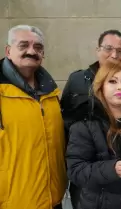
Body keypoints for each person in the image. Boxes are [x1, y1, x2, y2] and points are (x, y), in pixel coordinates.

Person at [60, 29, 121, 207]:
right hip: (102, 201)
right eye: (112, 82)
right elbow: (76, 170)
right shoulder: (84, 123)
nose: (120, 87)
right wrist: (111, 169)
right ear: (100, 87)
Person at [0, 25, 66, 209]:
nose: (31, 51)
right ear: (8, 50)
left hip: (54, 200)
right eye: (23, 45)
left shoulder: (51, 94)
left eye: (38, 47)